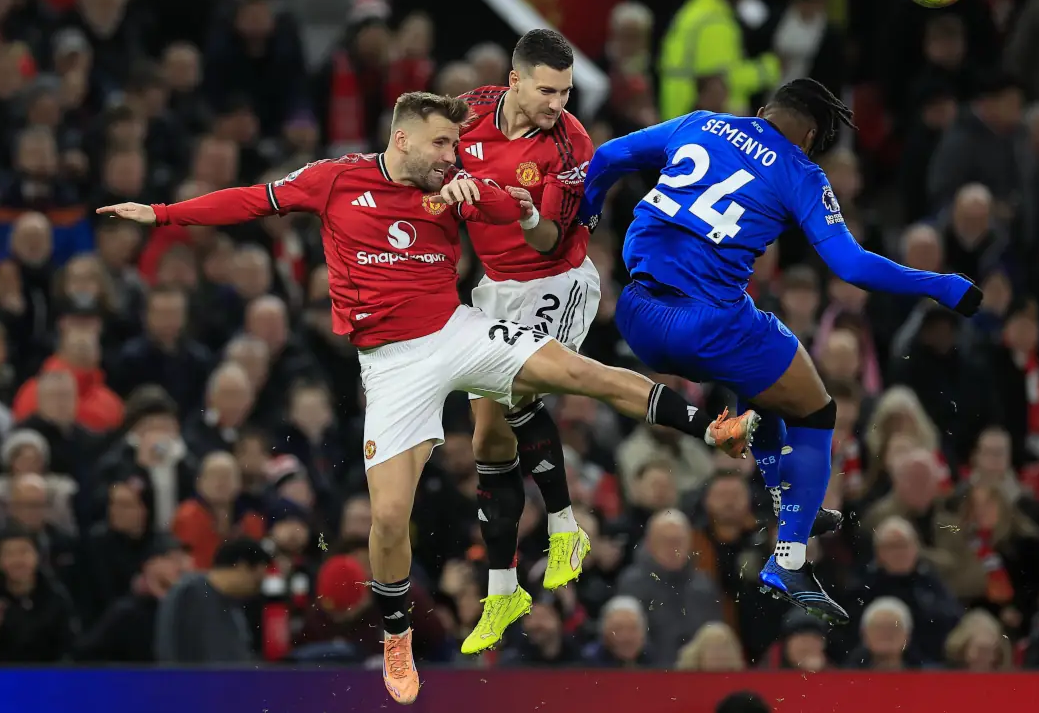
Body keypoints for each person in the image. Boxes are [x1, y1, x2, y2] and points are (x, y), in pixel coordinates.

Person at [99, 91, 754, 706]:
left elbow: (523, 218)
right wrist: (159, 214)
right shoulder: (335, 179)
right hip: (392, 367)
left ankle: (709, 426)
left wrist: (492, 197)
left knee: (581, 371)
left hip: (456, 331)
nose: (452, 155)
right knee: (387, 519)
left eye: (457, 146)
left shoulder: (455, 184)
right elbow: (250, 202)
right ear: (403, 136)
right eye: (442, 144)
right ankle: (397, 636)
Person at [580, 77, 983, 625]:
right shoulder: (801, 173)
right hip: (707, 324)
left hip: (638, 313)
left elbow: (606, 156)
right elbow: (852, 266)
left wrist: (587, 216)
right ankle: (788, 558)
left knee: (767, 387)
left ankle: (785, 496)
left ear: (767, 107)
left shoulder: (700, 123)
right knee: (816, 410)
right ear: (812, 134)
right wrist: (940, 285)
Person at [454, 28, 597, 654]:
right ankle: (503, 587)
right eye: (546, 90)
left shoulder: (571, 145)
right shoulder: (470, 110)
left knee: (514, 393)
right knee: (487, 436)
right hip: (495, 286)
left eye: (565, 92)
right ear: (513, 81)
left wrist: (527, 213)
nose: (557, 103)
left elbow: (546, 242)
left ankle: (566, 525)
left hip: (554, 280)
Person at [152, 537, 269, 664]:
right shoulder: (189, 593)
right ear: (242, 567)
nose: (256, 590)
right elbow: (171, 650)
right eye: (257, 582)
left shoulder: (234, 607)